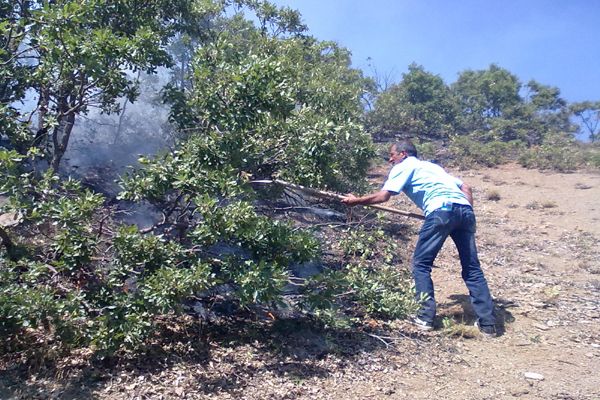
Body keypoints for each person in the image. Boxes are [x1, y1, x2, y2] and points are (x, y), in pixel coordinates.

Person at [341, 139, 497, 337]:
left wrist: (356, 201)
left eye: (392, 155)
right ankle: (488, 325)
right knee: (472, 268)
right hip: (465, 212)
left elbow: (384, 196)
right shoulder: (432, 167)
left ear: (403, 154)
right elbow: (466, 187)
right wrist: (462, 211)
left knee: (421, 264)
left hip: (441, 210)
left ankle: (424, 318)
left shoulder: (404, 166)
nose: (390, 159)